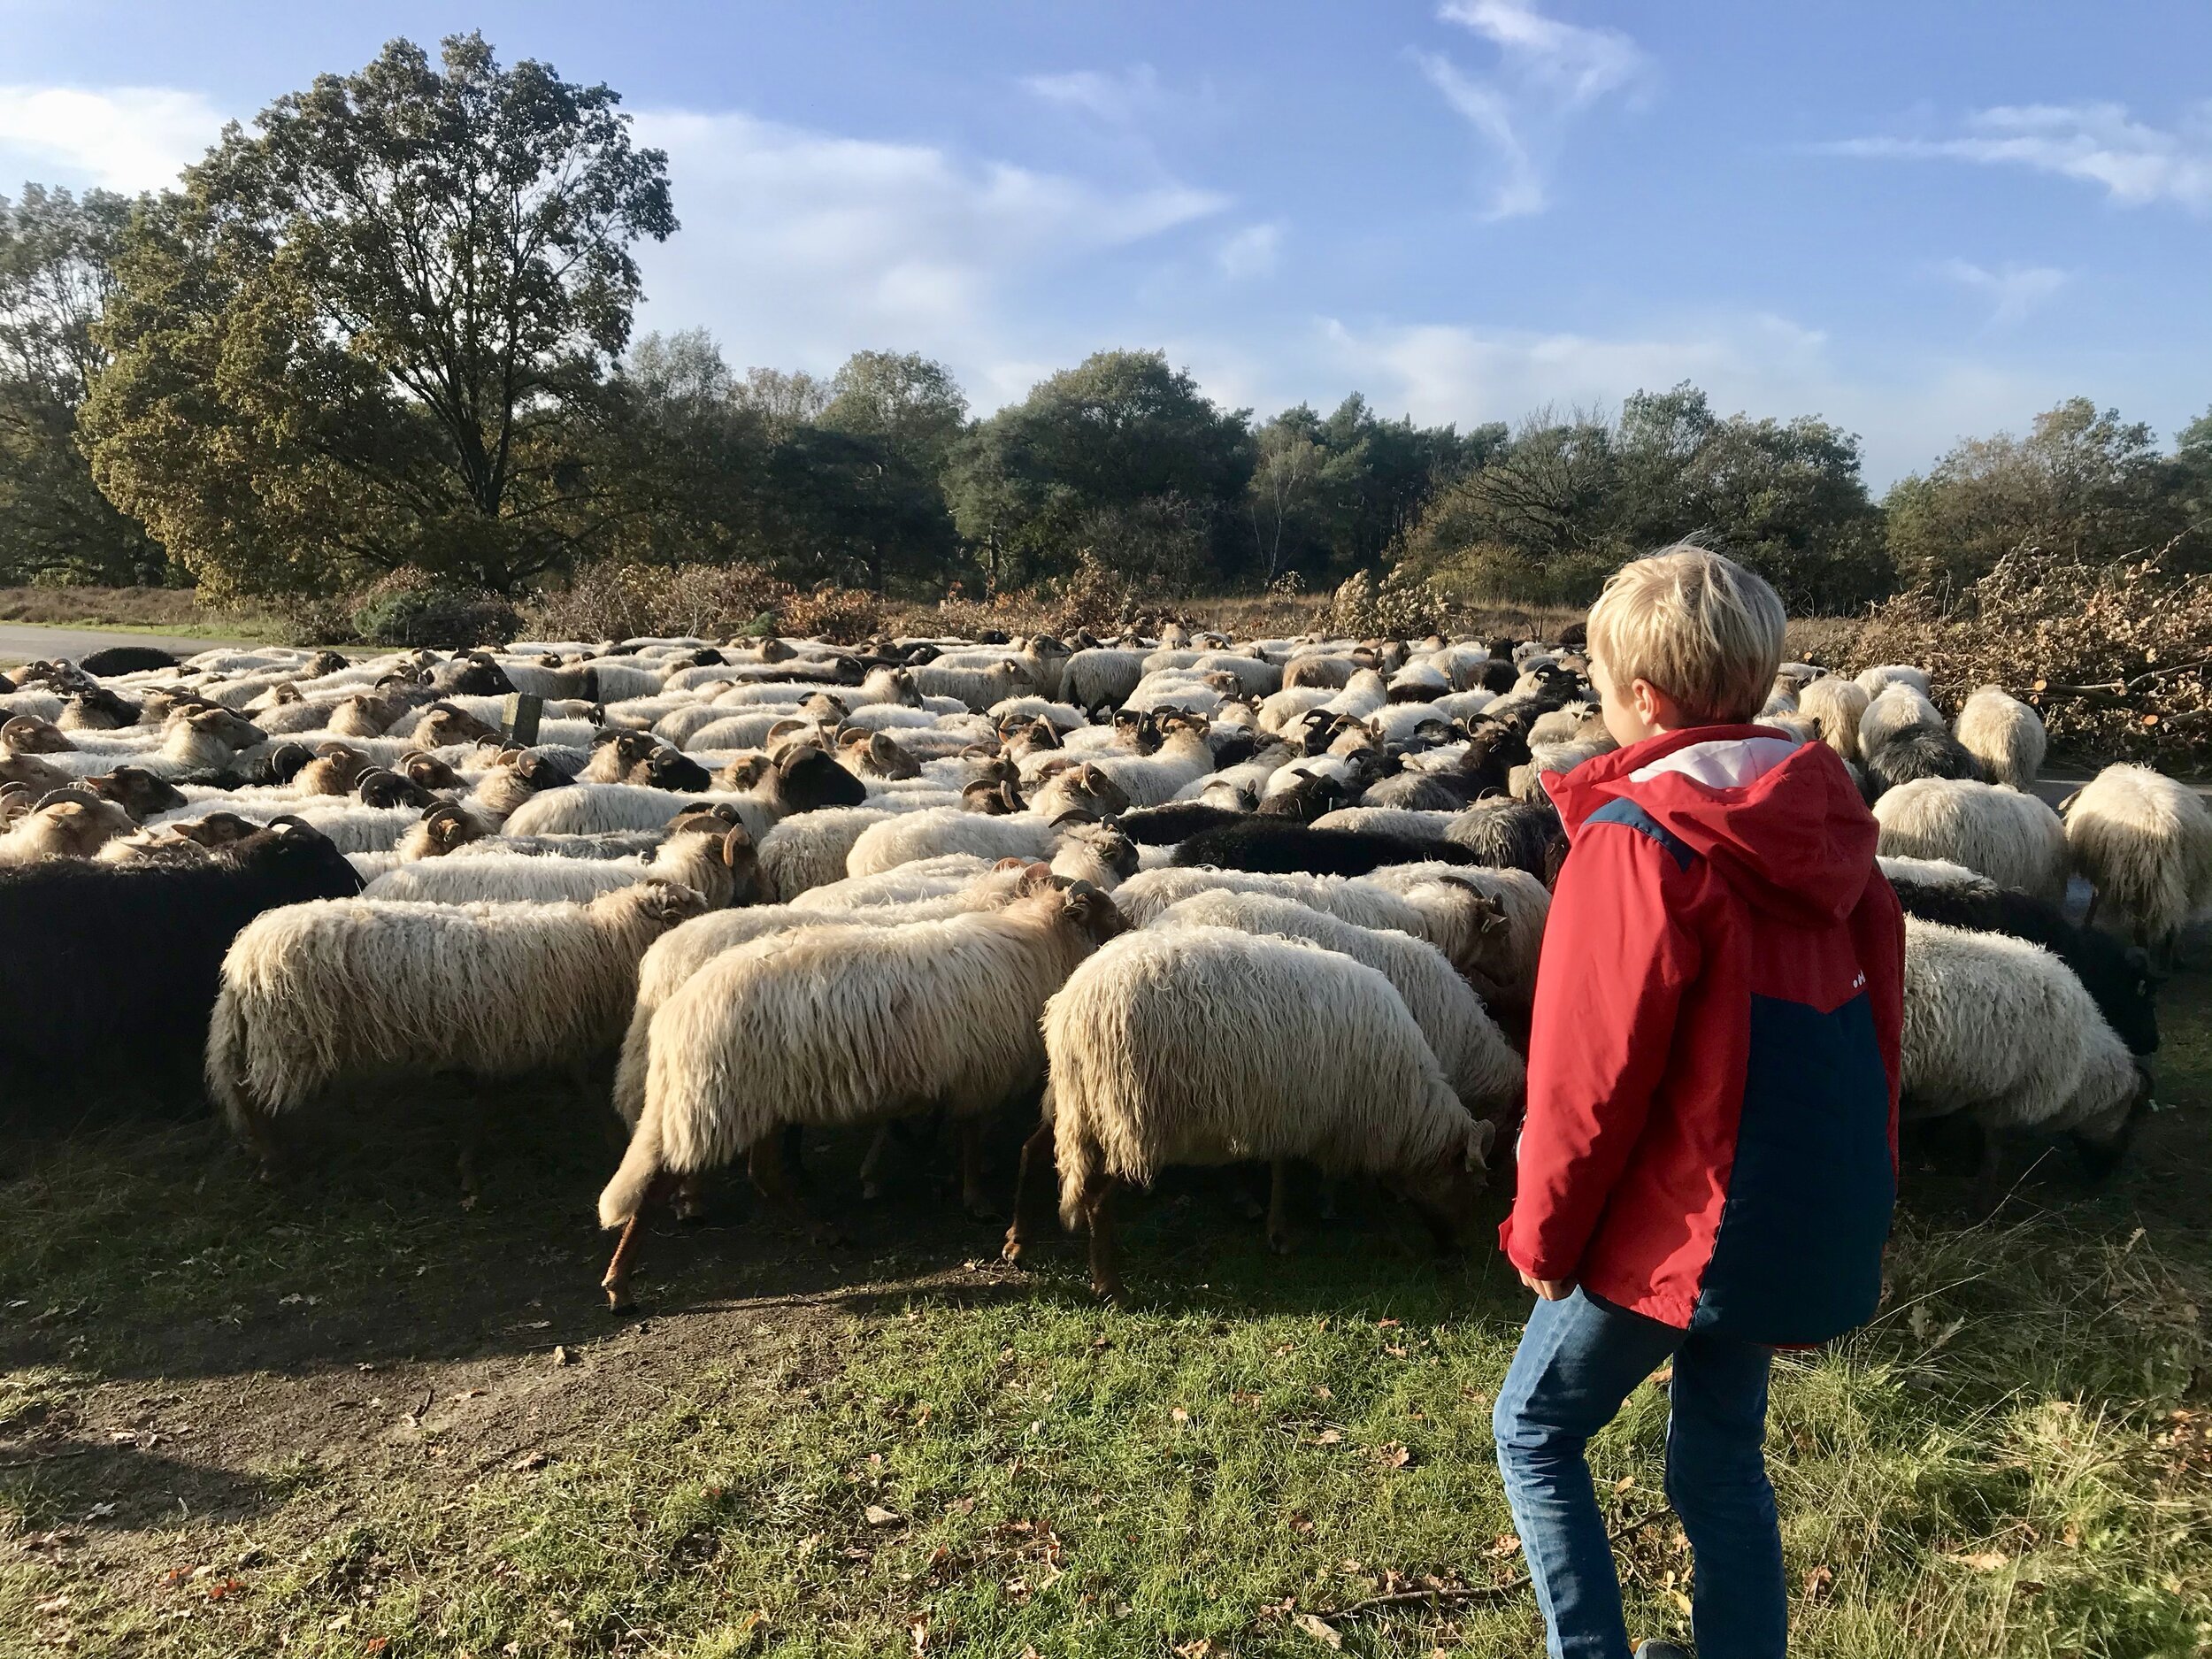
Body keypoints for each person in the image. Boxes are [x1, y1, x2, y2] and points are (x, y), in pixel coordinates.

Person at [1493, 547, 1905, 1659]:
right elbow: (1877, 1034)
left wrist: (1543, 1230)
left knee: (1532, 1433)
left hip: (1682, 1216)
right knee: (1719, 1459)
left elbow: (1590, 1077)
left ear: (1643, 699)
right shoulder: (1833, 831)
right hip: (1789, 1205)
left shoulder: (1639, 842)